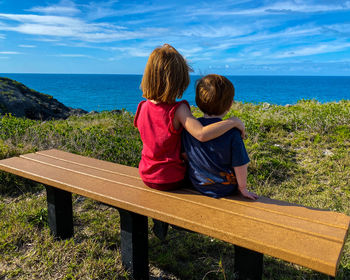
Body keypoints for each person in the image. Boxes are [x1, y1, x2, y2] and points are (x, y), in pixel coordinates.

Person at [134, 44, 245, 191]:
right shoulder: (178, 109)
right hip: (172, 178)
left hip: (147, 175)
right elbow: (202, 134)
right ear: (177, 82)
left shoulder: (142, 107)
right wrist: (233, 122)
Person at [182, 74, 258, 200]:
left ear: (198, 102)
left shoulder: (191, 128)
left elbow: (185, 155)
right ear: (229, 105)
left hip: (197, 185)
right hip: (225, 189)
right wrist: (243, 188)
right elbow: (240, 164)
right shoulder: (232, 133)